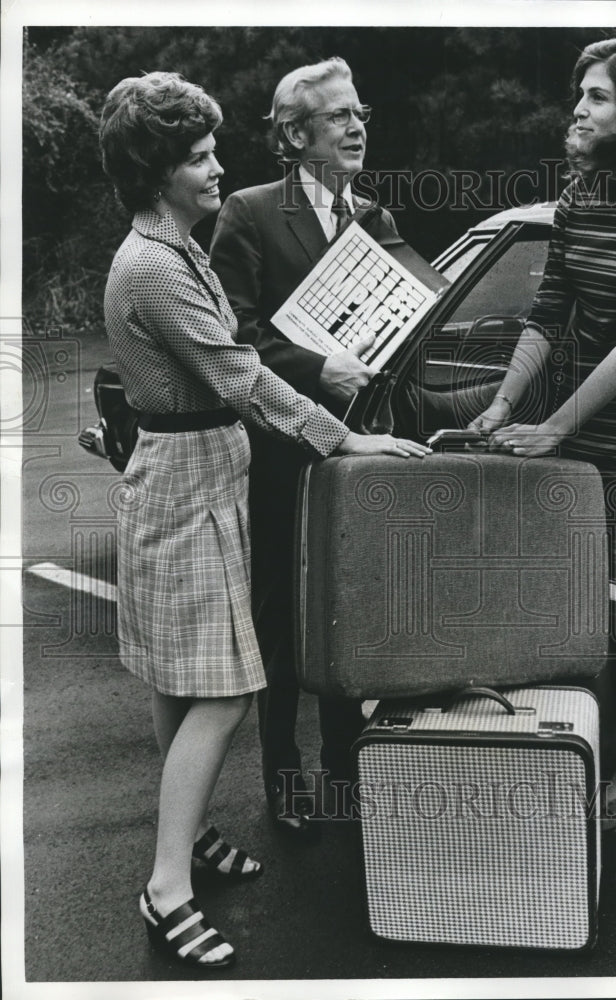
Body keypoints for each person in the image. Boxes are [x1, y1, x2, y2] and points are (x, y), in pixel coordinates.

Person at [99, 70, 429, 971]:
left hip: (201, 478)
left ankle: (192, 831)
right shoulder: (157, 266)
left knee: (181, 680)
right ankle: (167, 887)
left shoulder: (178, 244)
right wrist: (342, 440)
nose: (217, 169)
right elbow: (240, 374)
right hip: (186, 488)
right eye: (199, 157)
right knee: (228, 690)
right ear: (156, 172)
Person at [468, 36, 616, 831]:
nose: (577, 106)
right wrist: (506, 405)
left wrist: (551, 428)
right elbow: (549, 313)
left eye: (598, 95)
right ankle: (581, 738)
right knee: (575, 587)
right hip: (576, 417)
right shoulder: (576, 201)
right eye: (580, 91)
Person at [210, 57, 399, 840]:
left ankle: (347, 770)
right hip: (279, 450)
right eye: (337, 117)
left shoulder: (378, 218)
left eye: (360, 113)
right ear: (294, 134)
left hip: (358, 454)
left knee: (349, 606)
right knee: (281, 619)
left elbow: (400, 319)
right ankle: (285, 779)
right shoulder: (249, 213)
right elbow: (233, 340)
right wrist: (318, 366)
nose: (356, 127)